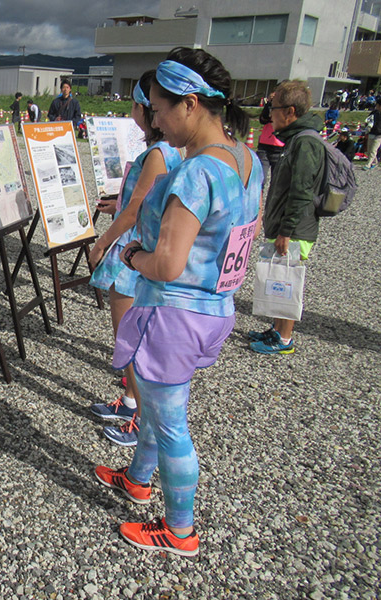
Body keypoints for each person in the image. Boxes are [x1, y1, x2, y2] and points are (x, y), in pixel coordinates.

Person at [95, 47, 262, 557]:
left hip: (174, 313)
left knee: (169, 421)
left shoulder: (196, 172)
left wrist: (132, 251)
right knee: (157, 409)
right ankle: (138, 479)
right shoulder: (248, 160)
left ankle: (180, 530)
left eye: (160, 109)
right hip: (215, 309)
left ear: (190, 104)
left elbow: (167, 264)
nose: (157, 122)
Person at [88, 70, 183, 448]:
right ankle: (130, 403)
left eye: (135, 103)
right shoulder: (164, 151)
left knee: (129, 340)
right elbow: (138, 203)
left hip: (130, 253)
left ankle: (141, 421)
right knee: (131, 338)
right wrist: (119, 203)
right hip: (136, 249)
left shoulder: (158, 154)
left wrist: (101, 244)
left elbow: (136, 211)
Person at [248, 80, 323, 355]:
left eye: (274, 107)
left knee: (289, 280)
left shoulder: (304, 143)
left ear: (290, 111)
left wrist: (286, 231)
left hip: (295, 229)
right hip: (288, 226)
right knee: (280, 277)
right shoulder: (297, 139)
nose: (270, 114)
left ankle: (285, 338)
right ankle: (278, 329)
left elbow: (302, 191)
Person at [256, 91, 285, 179]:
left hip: (279, 147)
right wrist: (269, 103)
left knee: (276, 180)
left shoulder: (287, 109)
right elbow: (263, 119)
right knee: (261, 178)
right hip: (264, 146)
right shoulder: (270, 107)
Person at [363, 98, 381, 170]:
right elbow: (367, 120)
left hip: (379, 135)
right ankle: (375, 162)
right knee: (369, 150)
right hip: (372, 132)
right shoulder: (374, 113)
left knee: (374, 150)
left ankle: (368, 164)